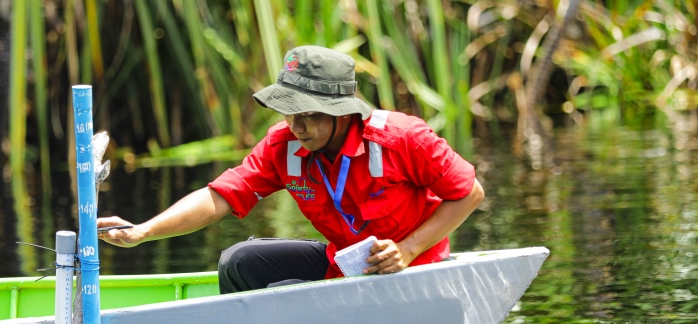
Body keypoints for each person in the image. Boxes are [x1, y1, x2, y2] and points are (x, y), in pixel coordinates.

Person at [98, 45, 484, 294]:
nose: (297, 127)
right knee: (239, 261)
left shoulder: (402, 138)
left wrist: (407, 248)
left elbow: (469, 192)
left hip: (411, 270)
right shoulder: (284, 145)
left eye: (311, 115)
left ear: (342, 113)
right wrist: (144, 231)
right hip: (346, 266)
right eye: (289, 113)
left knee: (285, 288)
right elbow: (220, 196)